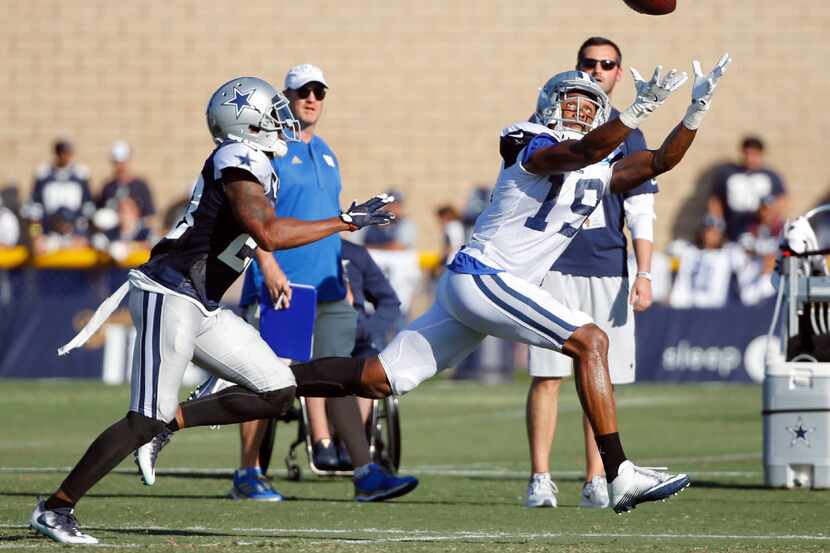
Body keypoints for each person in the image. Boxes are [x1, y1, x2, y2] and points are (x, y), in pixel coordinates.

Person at [128, 54, 727, 526]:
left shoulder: (597, 161)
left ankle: (195, 406)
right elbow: (576, 151)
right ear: (548, 105)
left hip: (482, 289)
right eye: (567, 99)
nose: (575, 108)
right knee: (590, 339)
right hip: (486, 275)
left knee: (375, 379)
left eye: (585, 102)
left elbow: (652, 166)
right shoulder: (530, 140)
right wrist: (631, 115)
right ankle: (619, 473)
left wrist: (693, 115)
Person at [29, 76, 395, 545]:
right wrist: (343, 220)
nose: (281, 120)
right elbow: (268, 233)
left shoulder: (258, 162)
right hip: (171, 291)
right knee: (142, 418)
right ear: (245, 123)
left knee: (278, 389)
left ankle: (172, 423)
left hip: (201, 299)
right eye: (269, 114)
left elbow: (255, 235)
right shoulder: (236, 158)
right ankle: (56, 507)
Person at [139, 64, 418, 503]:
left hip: (327, 286)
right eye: (302, 91)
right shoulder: (265, 149)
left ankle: (364, 472)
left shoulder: (326, 152)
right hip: (282, 283)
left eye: (319, 92)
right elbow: (252, 218)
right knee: (265, 379)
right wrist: (267, 265)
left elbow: (325, 218)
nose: (311, 98)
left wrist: (340, 271)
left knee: (336, 375)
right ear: (283, 98)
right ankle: (248, 473)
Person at [523, 36, 659, 510]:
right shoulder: (549, 123)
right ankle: (540, 477)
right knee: (547, 374)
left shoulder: (631, 132)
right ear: (577, 66)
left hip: (606, 265)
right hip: (552, 262)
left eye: (608, 64)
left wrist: (645, 272)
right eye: (590, 63)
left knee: (599, 373)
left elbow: (641, 208)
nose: (598, 70)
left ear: (619, 72)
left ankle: (596, 477)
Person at [707, 135, 787, 242]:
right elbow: (715, 201)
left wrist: (770, 217)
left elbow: (782, 201)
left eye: (754, 154)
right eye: (747, 154)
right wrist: (718, 224)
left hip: (762, 233)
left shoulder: (771, 176)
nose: (750, 158)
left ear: (761, 154)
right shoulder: (727, 173)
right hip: (733, 232)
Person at [25, 140, 95, 254]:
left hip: (75, 237)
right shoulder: (43, 175)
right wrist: (36, 236)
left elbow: (88, 210)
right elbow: (34, 214)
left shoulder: (80, 175)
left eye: (68, 153)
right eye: (62, 153)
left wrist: (84, 236)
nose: (65, 156)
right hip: (49, 236)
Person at [97, 140, 156, 231]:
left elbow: (150, 217)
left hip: (136, 236)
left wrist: (133, 219)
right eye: (116, 163)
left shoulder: (141, 186)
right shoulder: (108, 187)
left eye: (122, 162)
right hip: (112, 236)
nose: (120, 166)